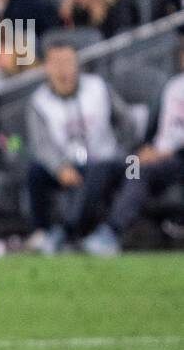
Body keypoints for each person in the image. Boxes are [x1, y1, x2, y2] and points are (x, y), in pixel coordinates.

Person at [25, 41, 133, 254]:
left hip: (104, 161)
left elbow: (127, 123)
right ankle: (42, 231)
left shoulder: (98, 87)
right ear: (46, 68)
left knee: (103, 170)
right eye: (56, 64)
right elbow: (41, 144)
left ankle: (67, 231)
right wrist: (60, 167)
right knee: (35, 171)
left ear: (78, 65)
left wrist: (122, 150)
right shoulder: (39, 101)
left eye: (67, 62)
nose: (62, 70)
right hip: (66, 164)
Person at [83, 42, 184, 255]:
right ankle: (74, 230)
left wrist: (171, 152)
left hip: (177, 161)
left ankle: (112, 232)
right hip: (155, 155)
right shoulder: (174, 85)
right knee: (107, 167)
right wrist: (146, 147)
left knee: (139, 172)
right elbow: (158, 128)